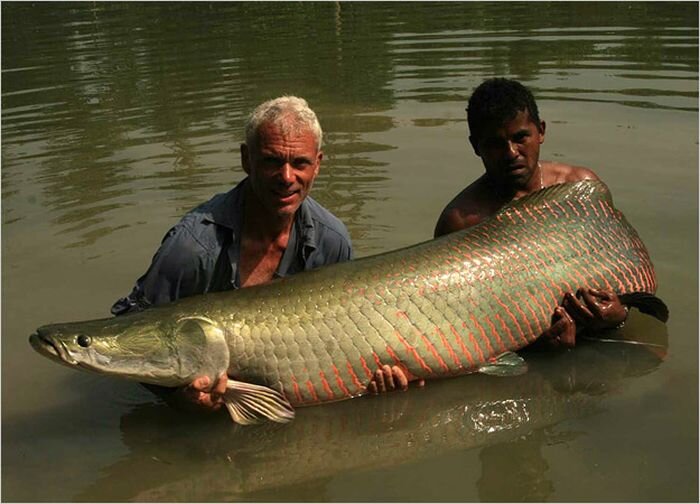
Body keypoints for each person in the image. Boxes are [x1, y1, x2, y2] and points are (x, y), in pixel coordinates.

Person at [113, 96, 405, 412]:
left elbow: (346, 334)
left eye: (300, 163)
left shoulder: (331, 240)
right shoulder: (192, 246)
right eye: (272, 161)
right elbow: (131, 331)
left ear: (318, 164)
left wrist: (372, 379)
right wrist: (178, 395)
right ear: (246, 160)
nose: (287, 177)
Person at [434, 78, 628, 347]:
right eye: (495, 143)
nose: (511, 152)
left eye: (520, 137)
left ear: (541, 132)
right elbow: (457, 319)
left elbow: (619, 271)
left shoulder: (580, 189)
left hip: (599, 333)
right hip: (524, 345)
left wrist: (619, 314)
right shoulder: (460, 221)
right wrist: (536, 346)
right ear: (475, 146)